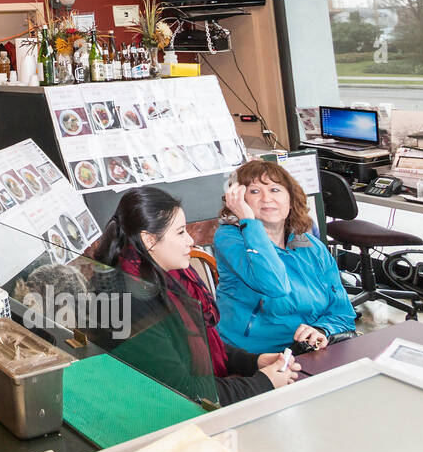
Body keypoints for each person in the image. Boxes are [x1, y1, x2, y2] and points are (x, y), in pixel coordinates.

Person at [92, 186, 298, 406]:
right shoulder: (130, 299)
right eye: (180, 232)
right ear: (149, 240)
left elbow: (203, 344)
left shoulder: (169, 277)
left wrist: (254, 361)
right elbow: (185, 392)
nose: (191, 241)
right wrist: (264, 382)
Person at [215, 159, 357, 355]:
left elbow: (343, 313)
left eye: (275, 190)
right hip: (254, 356)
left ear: (290, 198)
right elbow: (274, 285)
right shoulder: (230, 238)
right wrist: (248, 220)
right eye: (254, 191)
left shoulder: (311, 245)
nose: (267, 198)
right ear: (239, 201)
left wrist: (322, 329)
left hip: (308, 349)